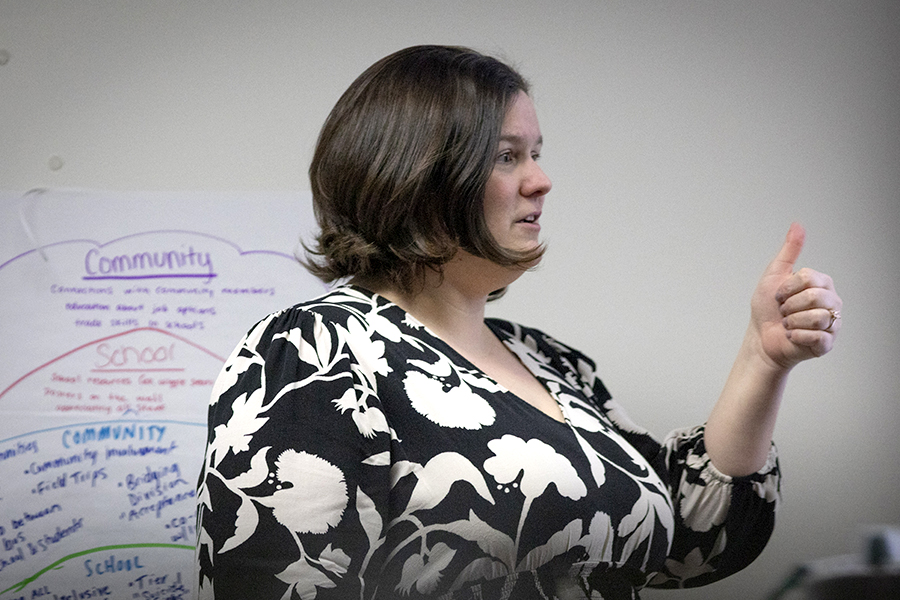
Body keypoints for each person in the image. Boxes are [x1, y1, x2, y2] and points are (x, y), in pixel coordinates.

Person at [195, 45, 842, 600]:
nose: (542, 180)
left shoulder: (553, 364)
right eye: (508, 156)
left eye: (536, 153)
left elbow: (692, 536)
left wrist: (762, 357)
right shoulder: (316, 352)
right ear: (418, 174)